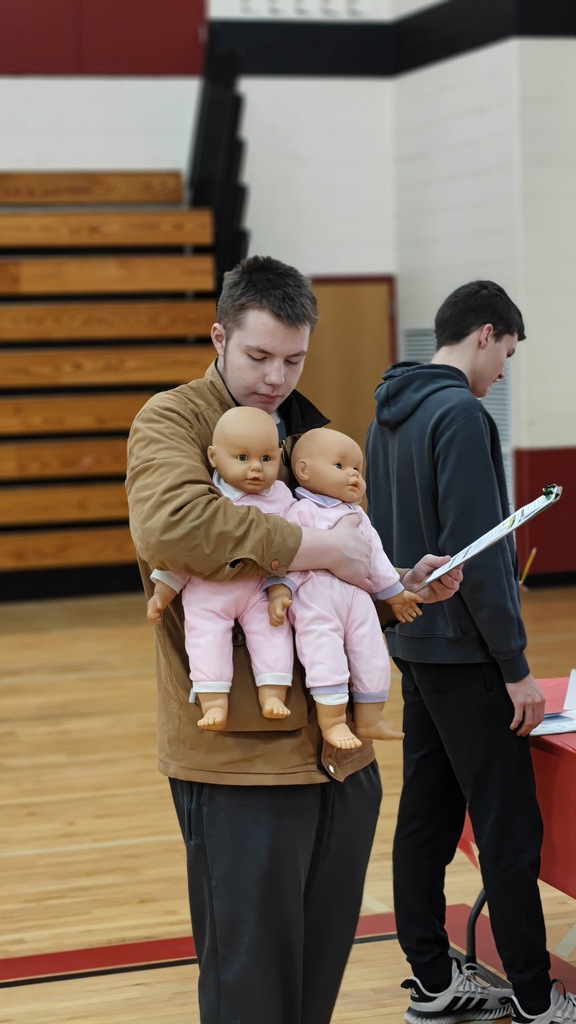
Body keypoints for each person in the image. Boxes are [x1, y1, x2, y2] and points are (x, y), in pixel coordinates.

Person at [125, 254, 462, 1024]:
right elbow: (174, 527)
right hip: (240, 761)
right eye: (258, 355)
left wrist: (393, 583)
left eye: (294, 359)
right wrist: (320, 550)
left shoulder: (304, 427)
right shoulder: (173, 420)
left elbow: (330, 575)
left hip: (339, 756)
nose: (276, 377)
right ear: (219, 337)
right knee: (250, 990)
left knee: (314, 982)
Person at [365, 280, 576, 1024]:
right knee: (507, 826)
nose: (503, 371)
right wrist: (515, 666)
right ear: (486, 333)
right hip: (466, 652)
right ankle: (535, 999)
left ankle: (432, 980)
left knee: (425, 816)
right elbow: (479, 560)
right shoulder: (459, 413)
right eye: (507, 353)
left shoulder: (387, 410)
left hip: (414, 641)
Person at [267, 426, 423, 749]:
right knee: (324, 656)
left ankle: (370, 716)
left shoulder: (358, 515)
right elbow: (287, 555)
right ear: (303, 470)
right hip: (316, 597)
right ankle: (333, 721)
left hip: (358, 598)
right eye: (340, 466)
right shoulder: (299, 511)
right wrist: (281, 589)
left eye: (357, 469)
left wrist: (394, 594)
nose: (353, 475)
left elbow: (375, 557)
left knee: (372, 652)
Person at [148, 405, 298, 729]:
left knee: (274, 630)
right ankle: (214, 703)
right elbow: (187, 547)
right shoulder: (208, 497)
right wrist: (162, 592)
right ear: (214, 457)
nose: (256, 468)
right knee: (205, 637)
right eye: (242, 458)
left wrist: (281, 587)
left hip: (259, 589)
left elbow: (297, 540)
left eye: (267, 458)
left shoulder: (282, 497)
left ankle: (273, 694)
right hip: (209, 589)